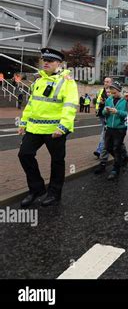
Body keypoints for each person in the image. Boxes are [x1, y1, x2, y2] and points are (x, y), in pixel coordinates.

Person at [18, 47, 79, 207]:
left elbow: (70, 105)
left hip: (55, 130)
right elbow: (31, 104)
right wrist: (23, 122)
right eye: (44, 60)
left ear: (59, 63)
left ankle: (54, 193)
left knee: (57, 161)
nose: (46, 63)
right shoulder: (39, 80)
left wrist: (63, 127)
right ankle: (37, 188)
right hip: (34, 128)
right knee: (24, 154)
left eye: (50, 60)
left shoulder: (67, 81)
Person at [102, 81, 128, 181]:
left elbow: (127, 114)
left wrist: (117, 112)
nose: (112, 94)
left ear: (119, 91)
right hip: (109, 127)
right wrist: (106, 111)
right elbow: (104, 112)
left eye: (114, 92)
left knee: (116, 147)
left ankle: (115, 169)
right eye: (111, 92)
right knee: (108, 147)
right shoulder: (109, 100)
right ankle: (123, 157)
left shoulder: (125, 101)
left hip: (120, 128)